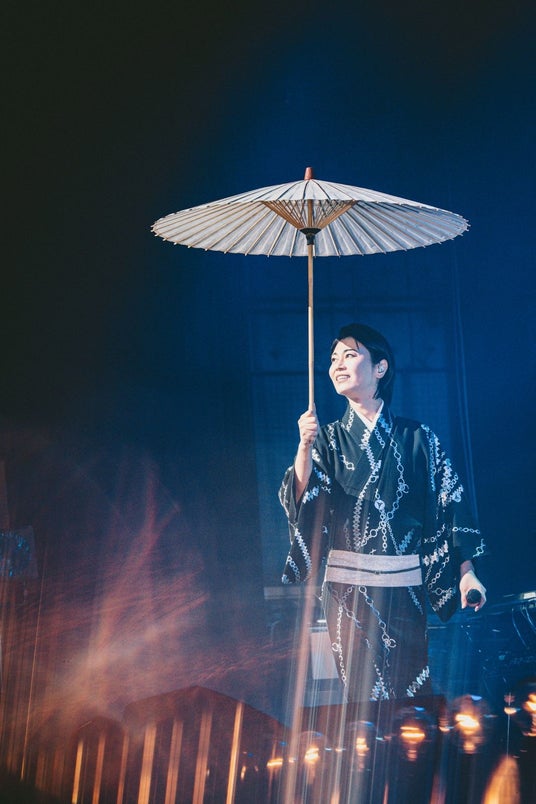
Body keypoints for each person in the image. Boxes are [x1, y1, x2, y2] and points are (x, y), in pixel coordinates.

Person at [279, 323, 487, 702]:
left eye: (350, 355)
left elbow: (451, 507)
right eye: (333, 359)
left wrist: (466, 573)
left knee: (414, 701)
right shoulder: (325, 440)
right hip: (347, 593)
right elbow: (305, 501)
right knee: (364, 702)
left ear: (380, 367)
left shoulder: (419, 438)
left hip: (405, 590)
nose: (338, 365)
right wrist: (304, 449)